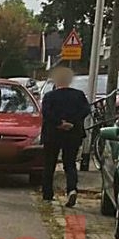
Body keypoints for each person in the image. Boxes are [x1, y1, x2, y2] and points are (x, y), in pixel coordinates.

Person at [40, 65, 90, 207]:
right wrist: (72, 122)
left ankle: (47, 194)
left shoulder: (50, 96)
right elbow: (86, 110)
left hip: (53, 134)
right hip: (73, 134)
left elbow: (46, 113)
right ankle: (72, 189)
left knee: (49, 164)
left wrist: (59, 123)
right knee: (70, 163)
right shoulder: (78, 95)